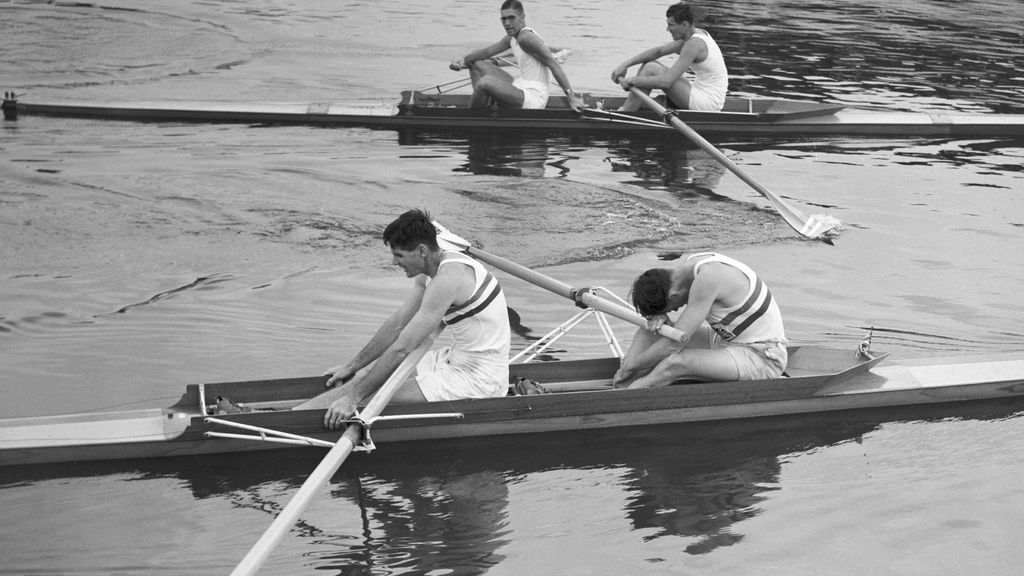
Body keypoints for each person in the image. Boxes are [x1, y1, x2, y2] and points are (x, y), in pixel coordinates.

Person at [293, 209, 512, 430]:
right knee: (363, 376)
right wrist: (352, 365)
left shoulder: (448, 280)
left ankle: (288, 425)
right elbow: (399, 324)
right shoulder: (432, 262)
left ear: (422, 251)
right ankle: (292, 415)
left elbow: (402, 349)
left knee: (373, 396)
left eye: (399, 255)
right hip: (454, 359)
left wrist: (353, 399)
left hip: (479, 378)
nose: (393, 262)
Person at [613, 252, 787, 389]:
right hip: (726, 340)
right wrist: (657, 316)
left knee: (677, 362)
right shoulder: (689, 267)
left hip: (762, 356)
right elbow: (673, 336)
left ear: (673, 295)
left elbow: (674, 345)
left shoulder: (708, 279)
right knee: (649, 331)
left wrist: (632, 366)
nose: (675, 310)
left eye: (672, 308)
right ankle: (622, 383)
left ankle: (624, 397)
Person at [450, 0, 584, 112]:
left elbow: (554, 65)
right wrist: (463, 60)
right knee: (477, 65)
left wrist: (571, 98)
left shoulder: (526, 38)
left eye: (511, 18)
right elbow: (486, 52)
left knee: (484, 82)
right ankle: (485, 105)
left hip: (533, 98)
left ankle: (473, 117)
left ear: (522, 17)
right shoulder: (511, 38)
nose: (507, 23)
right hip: (521, 85)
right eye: (504, 19)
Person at [610, 3, 728, 112]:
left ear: (685, 25)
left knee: (650, 69)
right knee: (649, 64)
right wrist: (625, 65)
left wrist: (632, 81)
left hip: (708, 103)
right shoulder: (693, 35)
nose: (667, 29)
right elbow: (658, 51)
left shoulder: (694, 44)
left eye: (671, 25)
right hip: (702, 92)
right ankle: (630, 109)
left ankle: (626, 113)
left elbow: (666, 82)